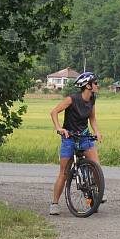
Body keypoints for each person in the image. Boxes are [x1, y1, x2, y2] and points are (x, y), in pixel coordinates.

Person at [48, 72, 103, 215]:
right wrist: (59, 128)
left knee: (96, 166)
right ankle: (54, 203)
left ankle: (98, 191)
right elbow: (54, 112)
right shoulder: (71, 99)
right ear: (88, 85)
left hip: (84, 136)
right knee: (64, 172)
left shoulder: (92, 99)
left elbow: (92, 118)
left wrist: (97, 131)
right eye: (95, 83)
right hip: (69, 136)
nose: (98, 85)